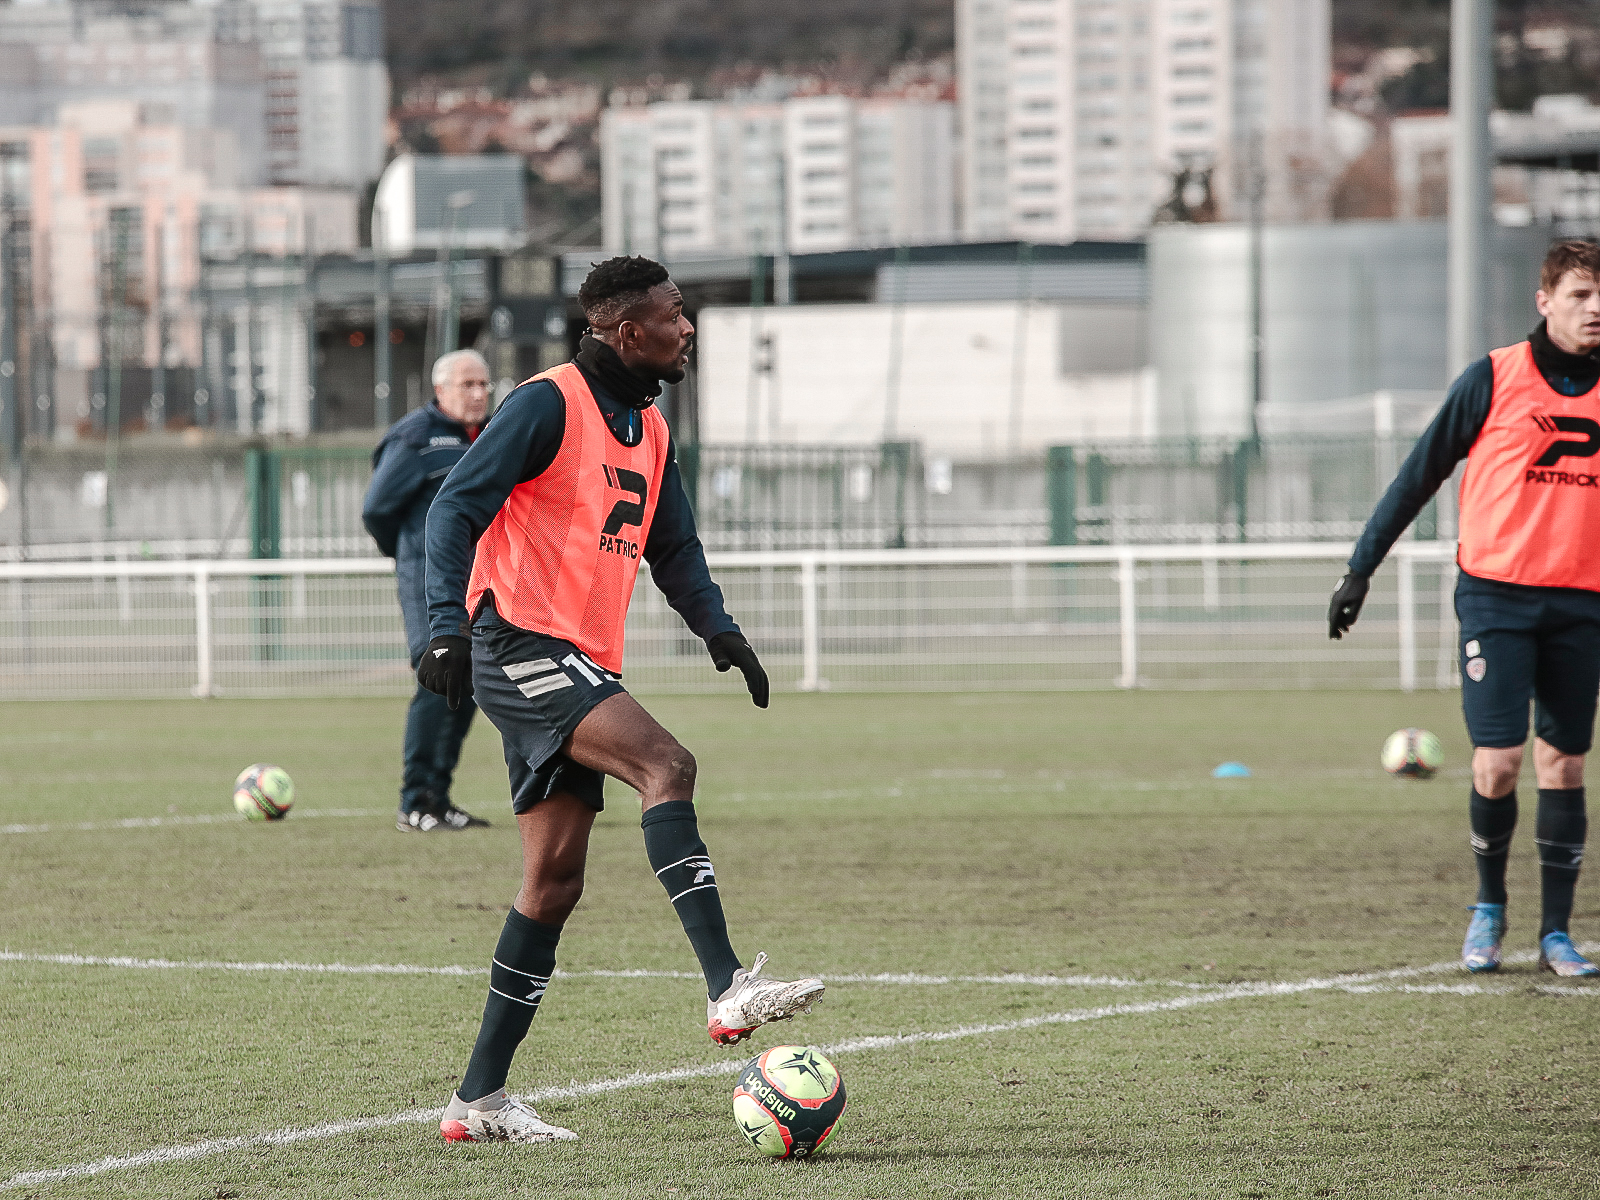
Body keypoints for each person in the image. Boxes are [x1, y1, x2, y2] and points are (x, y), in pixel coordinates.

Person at [418, 256, 825, 1144]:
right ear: (626, 330)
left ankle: (475, 1102)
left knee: (552, 883)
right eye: (676, 316)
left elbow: (672, 545)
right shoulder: (544, 402)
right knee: (665, 764)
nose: (688, 330)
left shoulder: (649, 425)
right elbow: (453, 510)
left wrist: (720, 631)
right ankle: (728, 989)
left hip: (574, 656)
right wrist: (444, 624)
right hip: (517, 640)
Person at [1330, 238, 1600, 979]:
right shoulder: (1493, 379)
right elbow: (1417, 477)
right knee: (1499, 762)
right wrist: (1361, 568)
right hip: (1497, 598)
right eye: (1580, 294)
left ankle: (1555, 933)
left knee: (1566, 764)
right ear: (1544, 301)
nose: (1596, 308)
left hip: (1584, 603)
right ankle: (1488, 911)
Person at [362, 348, 494, 833]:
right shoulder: (416, 437)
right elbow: (378, 509)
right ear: (440, 390)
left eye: (484, 384)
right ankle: (414, 802)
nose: (479, 394)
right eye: (468, 385)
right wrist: (411, 554)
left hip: (479, 580)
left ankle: (438, 799)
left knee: (470, 685)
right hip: (427, 579)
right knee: (437, 677)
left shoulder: (491, 435)